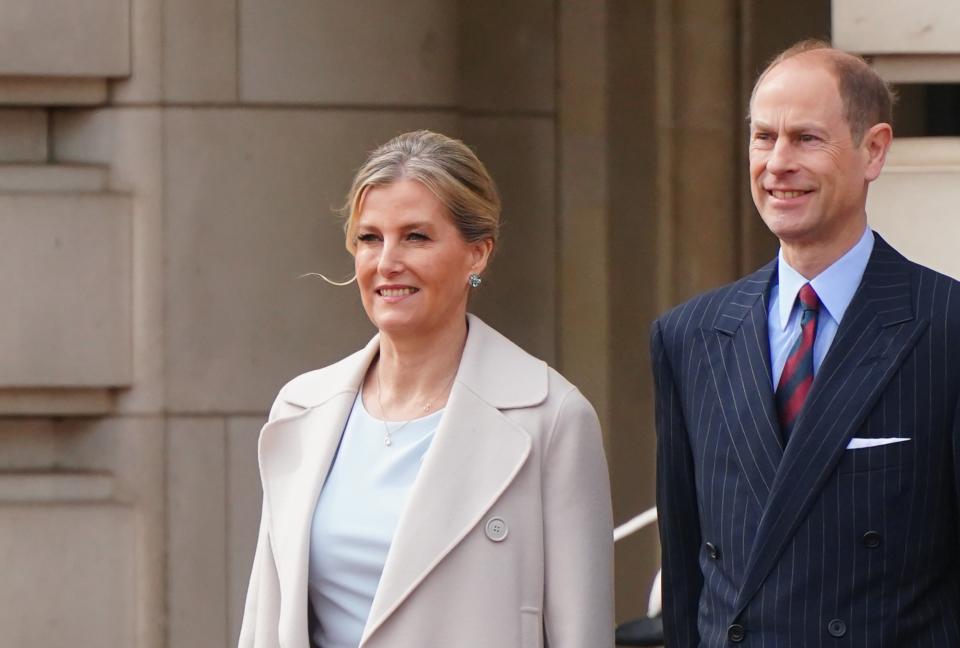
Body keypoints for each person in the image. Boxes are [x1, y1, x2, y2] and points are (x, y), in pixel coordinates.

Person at [238, 130, 614, 648]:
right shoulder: (303, 408)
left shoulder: (551, 418)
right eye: (370, 238)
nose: (387, 261)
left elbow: (582, 636)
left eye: (415, 236)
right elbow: (267, 621)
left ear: (477, 254)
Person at [652, 40, 960, 646]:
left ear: (874, 151)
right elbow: (686, 569)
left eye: (807, 139)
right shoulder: (688, 336)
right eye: (764, 137)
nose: (777, 163)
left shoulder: (947, 325)